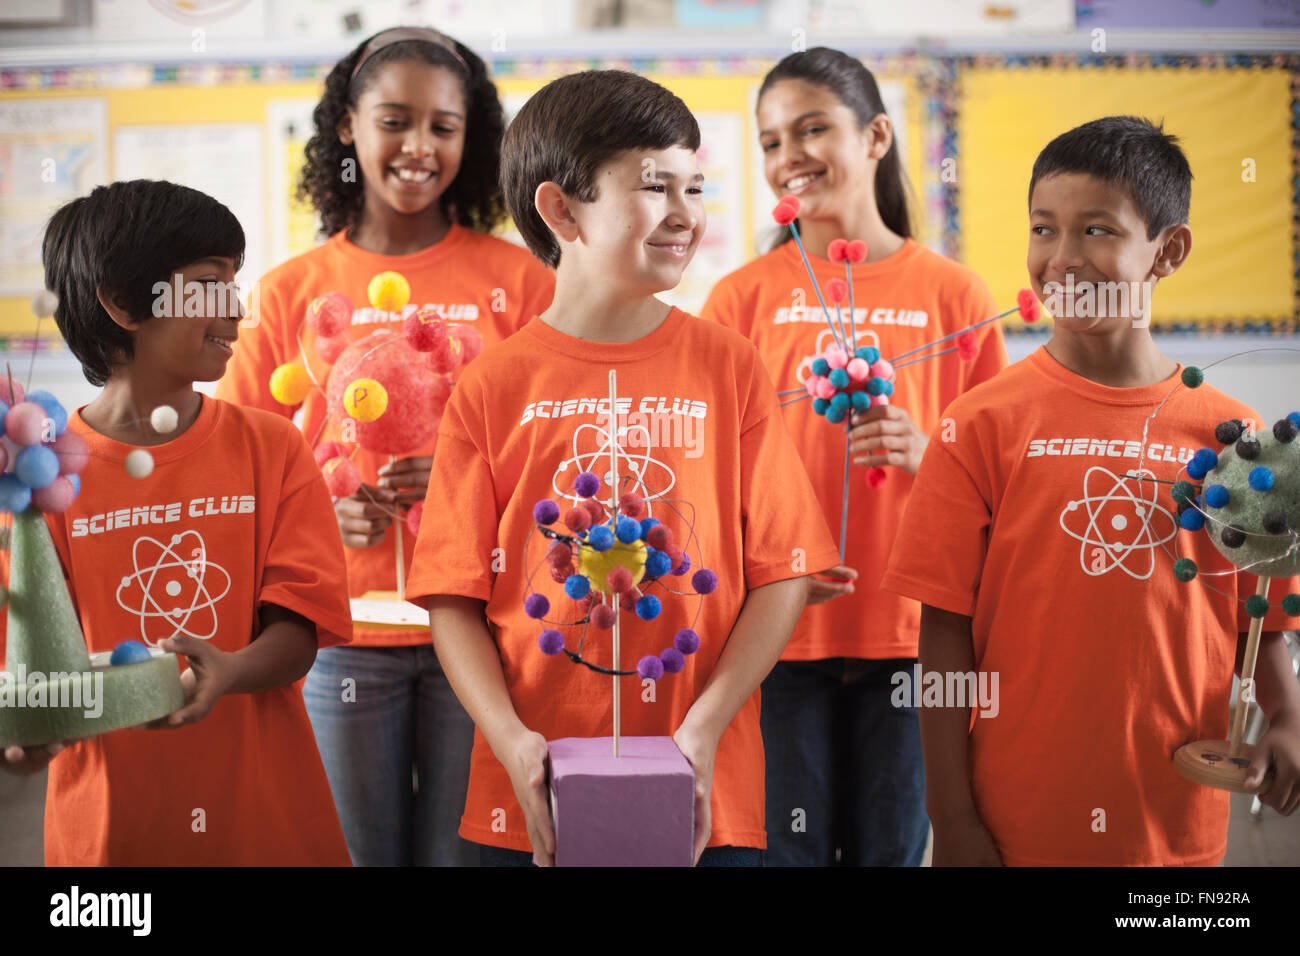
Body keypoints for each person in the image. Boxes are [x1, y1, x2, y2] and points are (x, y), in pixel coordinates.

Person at [405, 69, 841, 866]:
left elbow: (786, 571)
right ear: (560, 208)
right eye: (653, 186)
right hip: (529, 803)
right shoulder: (494, 385)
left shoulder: (728, 365)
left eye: (695, 186)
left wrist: (702, 731)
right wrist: (513, 743)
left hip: (707, 800)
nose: (686, 215)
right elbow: (451, 595)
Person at [882, 116, 1300, 866]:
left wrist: (1288, 719)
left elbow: (1260, 615)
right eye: (1044, 229)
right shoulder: (979, 422)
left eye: (1098, 231)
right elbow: (942, 634)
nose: (1062, 259)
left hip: (1175, 822)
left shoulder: (1232, 432)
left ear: (1166, 251)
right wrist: (949, 813)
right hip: (1013, 822)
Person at [215, 26, 554, 866]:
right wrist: (319, 518)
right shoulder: (290, 292)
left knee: (462, 857)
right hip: (342, 641)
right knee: (356, 854)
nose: (419, 147)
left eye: (444, 126)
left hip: (478, 634)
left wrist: (467, 478)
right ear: (346, 128)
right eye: (395, 120)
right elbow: (239, 468)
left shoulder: (521, 282)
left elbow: (562, 452)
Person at [700, 47, 1007, 866]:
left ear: (875, 137)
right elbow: (712, 476)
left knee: (891, 854)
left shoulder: (956, 295)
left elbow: (1002, 487)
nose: (788, 155)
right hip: (777, 638)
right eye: (770, 141)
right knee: (783, 854)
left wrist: (927, 451)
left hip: (910, 639)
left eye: (811, 129)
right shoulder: (739, 298)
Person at [1, 179, 353, 866]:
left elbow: (298, 634)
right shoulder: (43, 478)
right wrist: (24, 741)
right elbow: (29, 680)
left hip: (269, 827)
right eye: (210, 284)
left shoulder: (272, 447)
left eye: (236, 282)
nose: (238, 310)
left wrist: (227, 670)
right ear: (125, 303)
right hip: (112, 840)